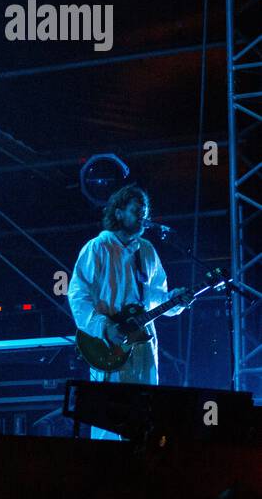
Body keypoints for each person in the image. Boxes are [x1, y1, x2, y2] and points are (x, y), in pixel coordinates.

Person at [67, 184, 188, 439]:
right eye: (137, 210)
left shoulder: (147, 250)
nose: (143, 217)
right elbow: (78, 295)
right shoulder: (97, 248)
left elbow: (153, 297)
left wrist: (173, 301)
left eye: (145, 211)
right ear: (119, 212)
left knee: (143, 417)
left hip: (142, 347)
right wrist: (103, 326)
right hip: (109, 344)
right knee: (110, 419)